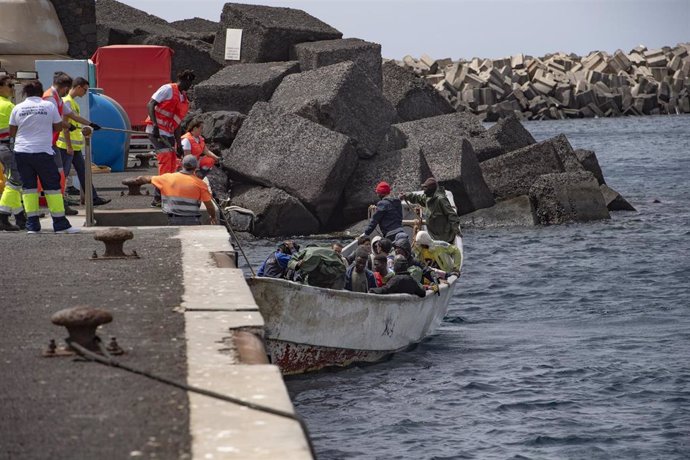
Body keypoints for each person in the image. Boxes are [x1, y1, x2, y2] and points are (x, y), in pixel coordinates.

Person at [10, 80, 77, 233]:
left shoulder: (18, 108)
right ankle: (60, 224)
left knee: (29, 188)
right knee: (52, 187)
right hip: (43, 152)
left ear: (25, 93)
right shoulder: (49, 106)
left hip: (22, 152)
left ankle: (32, 226)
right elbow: (58, 127)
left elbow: (13, 131)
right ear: (41, 92)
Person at [43, 72, 100, 215]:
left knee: (63, 174)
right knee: (58, 175)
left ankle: (62, 203)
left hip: (54, 142)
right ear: (66, 87)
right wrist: (68, 126)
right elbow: (54, 120)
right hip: (50, 143)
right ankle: (58, 205)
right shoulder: (51, 98)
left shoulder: (57, 98)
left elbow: (72, 116)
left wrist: (91, 124)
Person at [55, 77, 110, 206]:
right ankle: (60, 200)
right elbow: (65, 126)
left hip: (74, 146)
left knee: (84, 172)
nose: (85, 93)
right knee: (64, 174)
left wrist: (91, 124)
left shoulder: (72, 102)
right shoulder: (67, 101)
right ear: (78, 87)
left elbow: (76, 118)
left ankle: (92, 198)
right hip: (66, 146)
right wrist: (68, 146)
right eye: (84, 90)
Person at [145, 70, 195, 207]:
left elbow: (177, 123)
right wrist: (155, 126)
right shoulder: (167, 89)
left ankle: (164, 194)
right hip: (156, 131)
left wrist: (179, 144)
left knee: (173, 163)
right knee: (166, 160)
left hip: (168, 133)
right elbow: (150, 104)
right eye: (188, 83)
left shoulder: (183, 98)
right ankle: (158, 197)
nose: (189, 87)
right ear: (182, 80)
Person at [132, 155, 217, 226]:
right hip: (193, 219)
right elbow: (209, 206)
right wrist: (213, 217)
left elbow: (147, 179)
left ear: (181, 165)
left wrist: (139, 179)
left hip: (173, 219)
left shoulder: (167, 178)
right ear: (196, 168)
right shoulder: (201, 184)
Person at [401, 177, 462, 243]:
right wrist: (406, 195)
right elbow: (418, 198)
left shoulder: (440, 199)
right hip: (433, 235)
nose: (424, 190)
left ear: (431, 189)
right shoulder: (428, 197)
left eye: (425, 188)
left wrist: (456, 229)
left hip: (444, 237)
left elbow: (451, 214)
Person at [0, 75, 26, 231]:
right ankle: (2, 216)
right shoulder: (8, 106)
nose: (12, 88)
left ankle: (19, 217)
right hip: (7, 147)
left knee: (14, 181)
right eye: (9, 85)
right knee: (15, 181)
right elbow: (18, 128)